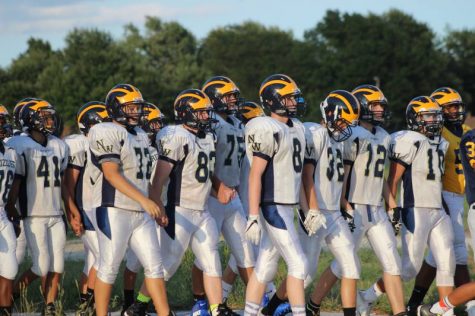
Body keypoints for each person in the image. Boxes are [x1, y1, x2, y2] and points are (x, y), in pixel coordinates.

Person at [359, 96, 455, 315]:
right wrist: (391, 210)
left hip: (437, 209)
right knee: (409, 269)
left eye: (436, 115)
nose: (435, 120)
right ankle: (368, 295)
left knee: (447, 261)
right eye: (429, 116)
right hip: (414, 208)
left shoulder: (441, 141)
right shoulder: (408, 140)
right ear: (415, 118)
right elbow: (392, 179)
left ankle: (444, 310)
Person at [88, 84, 170, 316]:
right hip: (114, 208)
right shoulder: (106, 131)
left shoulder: (141, 135)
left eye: (137, 107)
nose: (136, 111)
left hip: (139, 211)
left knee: (155, 267)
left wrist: (157, 204)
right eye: (130, 107)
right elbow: (111, 173)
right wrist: (145, 202)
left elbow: (146, 179)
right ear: (115, 109)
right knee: (109, 267)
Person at [406, 87, 475, 315]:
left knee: (438, 256)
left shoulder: (464, 131)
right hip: (442, 195)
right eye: (450, 107)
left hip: (459, 197)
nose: (456, 110)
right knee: (455, 253)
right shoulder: (437, 134)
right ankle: (466, 303)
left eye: (457, 105)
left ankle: (416, 303)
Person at [243, 74, 307, 316]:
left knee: (266, 267)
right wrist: (252, 215)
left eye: (294, 97)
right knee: (298, 264)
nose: (294, 102)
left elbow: (298, 174)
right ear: (273, 101)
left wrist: (305, 208)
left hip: (286, 205)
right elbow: (255, 174)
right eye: (288, 98)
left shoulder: (296, 128)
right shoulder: (265, 127)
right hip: (272, 205)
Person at [190, 76, 254, 315]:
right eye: (228, 96)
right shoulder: (210, 123)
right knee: (205, 255)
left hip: (233, 196)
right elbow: (204, 164)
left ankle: (256, 304)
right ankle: (199, 301)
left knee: (245, 252)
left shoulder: (237, 122)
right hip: (211, 198)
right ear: (215, 98)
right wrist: (218, 188)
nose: (233, 101)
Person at [8, 99, 69, 315]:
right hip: (32, 215)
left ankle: (50, 306)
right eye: (45, 117)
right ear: (31, 119)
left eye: (51, 116)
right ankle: (10, 297)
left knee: (58, 265)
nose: (51, 120)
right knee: (40, 266)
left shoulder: (59, 145)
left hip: (55, 213)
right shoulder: (19, 144)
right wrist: (11, 211)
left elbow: (62, 184)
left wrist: (70, 210)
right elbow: (14, 184)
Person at [63, 101, 109, 316]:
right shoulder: (80, 144)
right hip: (88, 208)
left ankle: (86, 304)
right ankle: (92, 303)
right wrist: (73, 213)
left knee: (93, 259)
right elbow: (69, 186)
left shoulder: (106, 141)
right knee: (103, 257)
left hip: (101, 206)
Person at [0, 105, 19, 316]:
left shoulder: (11, 151)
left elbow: (13, 186)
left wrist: (13, 213)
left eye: (3, 120)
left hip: (2, 213)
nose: (2, 125)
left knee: (10, 268)